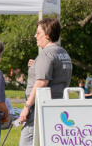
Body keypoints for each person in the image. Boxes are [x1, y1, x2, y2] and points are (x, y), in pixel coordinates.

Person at [19, 18, 72, 146]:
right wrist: (36, 65)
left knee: (27, 141)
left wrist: (27, 107)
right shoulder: (63, 52)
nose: (35, 36)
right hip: (57, 105)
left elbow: (41, 83)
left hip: (39, 107)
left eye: (38, 33)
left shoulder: (46, 54)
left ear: (47, 35)